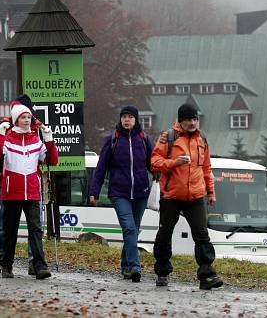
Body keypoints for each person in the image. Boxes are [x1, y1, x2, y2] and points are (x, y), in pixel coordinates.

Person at [0, 103, 58, 279]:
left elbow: (52, 161)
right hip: (11, 193)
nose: (27, 120)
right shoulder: (7, 139)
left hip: (31, 193)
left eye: (29, 117)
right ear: (16, 119)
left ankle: (39, 265)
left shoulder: (36, 140)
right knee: (10, 230)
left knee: (36, 229)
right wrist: (0, 134)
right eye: (23, 117)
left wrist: (49, 140)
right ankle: (7, 265)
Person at [151, 103, 223, 290]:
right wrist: (174, 163)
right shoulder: (168, 137)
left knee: (201, 235)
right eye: (188, 120)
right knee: (165, 234)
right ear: (180, 121)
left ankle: (207, 275)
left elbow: (206, 168)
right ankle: (162, 272)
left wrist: (211, 192)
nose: (192, 123)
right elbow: (154, 163)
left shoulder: (203, 139)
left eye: (195, 119)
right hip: (171, 195)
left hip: (196, 196)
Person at [89, 105, 154, 282]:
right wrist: (94, 192)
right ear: (120, 119)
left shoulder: (144, 139)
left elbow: (154, 164)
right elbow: (101, 168)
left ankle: (126, 265)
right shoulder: (113, 140)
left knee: (134, 230)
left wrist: (164, 179)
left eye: (130, 117)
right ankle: (134, 266)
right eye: (124, 117)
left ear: (136, 119)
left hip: (141, 192)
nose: (127, 120)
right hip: (119, 193)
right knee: (129, 228)